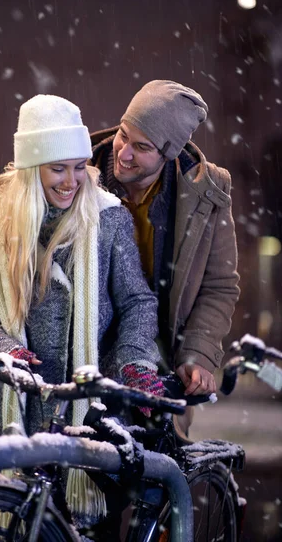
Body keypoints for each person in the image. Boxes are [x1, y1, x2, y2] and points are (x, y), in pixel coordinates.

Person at [0, 94, 163, 527]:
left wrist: (132, 362)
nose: (72, 180)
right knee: (23, 526)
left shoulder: (107, 218)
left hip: (89, 413)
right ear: (32, 169)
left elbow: (138, 303)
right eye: (57, 168)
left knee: (85, 530)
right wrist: (1, 348)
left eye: (77, 165)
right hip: (23, 410)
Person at [91, 80, 240, 409]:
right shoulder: (76, 176)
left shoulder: (207, 196)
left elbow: (219, 285)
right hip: (86, 362)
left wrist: (198, 354)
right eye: (123, 135)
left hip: (160, 364)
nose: (124, 153)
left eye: (142, 147)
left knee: (155, 458)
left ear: (169, 153)